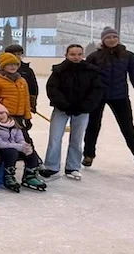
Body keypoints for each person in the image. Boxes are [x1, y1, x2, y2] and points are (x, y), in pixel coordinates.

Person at [82, 28, 134, 176]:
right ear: (103, 40)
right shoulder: (94, 56)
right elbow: (86, 78)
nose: (111, 39)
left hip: (120, 97)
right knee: (93, 126)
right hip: (98, 96)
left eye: (114, 37)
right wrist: (84, 97)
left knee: (128, 129)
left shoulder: (128, 56)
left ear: (118, 38)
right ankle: (88, 155)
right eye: (108, 37)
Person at [40, 44, 103, 181]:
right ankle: (51, 166)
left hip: (82, 111)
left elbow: (96, 90)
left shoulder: (91, 71)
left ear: (83, 55)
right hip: (61, 110)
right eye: (73, 54)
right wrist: (65, 105)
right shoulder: (59, 70)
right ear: (66, 55)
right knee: (55, 138)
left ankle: (73, 167)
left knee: (77, 139)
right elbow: (52, 89)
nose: (76, 57)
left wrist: (85, 106)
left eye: (79, 54)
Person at [0, 100, 44, 192]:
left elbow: (20, 138)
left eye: (1, 113)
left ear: (6, 113)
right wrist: (19, 147)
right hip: (1, 150)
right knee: (12, 152)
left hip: (15, 146)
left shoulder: (14, 124)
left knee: (30, 151)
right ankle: (8, 176)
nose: (0, 116)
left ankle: (30, 176)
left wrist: (24, 145)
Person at [0, 52, 32, 124]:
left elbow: (26, 99)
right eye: (10, 65)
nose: (13, 67)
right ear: (3, 66)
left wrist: (27, 117)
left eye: (15, 64)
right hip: (4, 116)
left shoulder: (22, 81)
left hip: (19, 116)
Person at [4, 44, 39, 116]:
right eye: (13, 54)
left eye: (19, 54)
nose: (16, 57)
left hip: (22, 106)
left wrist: (32, 104)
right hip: (4, 107)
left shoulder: (27, 70)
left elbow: (33, 89)